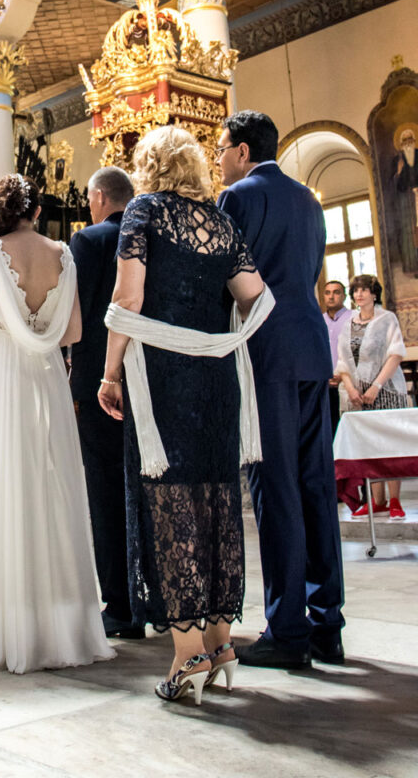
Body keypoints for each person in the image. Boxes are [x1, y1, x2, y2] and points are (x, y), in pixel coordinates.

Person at [99, 127, 269, 704]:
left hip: (164, 379)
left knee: (170, 508)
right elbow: (254, 293)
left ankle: (187, 656)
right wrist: (222, 339)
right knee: (217, 504)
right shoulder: (220, 222)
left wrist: (110, 374)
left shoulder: (144, 211)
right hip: (218, 381)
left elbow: (128, 299)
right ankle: (221, 646)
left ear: (150, 166)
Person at [0, 175, 114, 673]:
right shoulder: (63, 253)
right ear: (37, 211)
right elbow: (75, 331)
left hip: (4, 377)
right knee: (52, 490)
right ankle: (62, 629)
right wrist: (39, 329)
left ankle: (9, 630)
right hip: (47, 379)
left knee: (6, 487)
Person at [217, 110, 345, 669]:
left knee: (276, 486)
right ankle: (327, 625)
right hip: (312, 350)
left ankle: (287, 630)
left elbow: (225, 278)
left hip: (264, 351)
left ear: (243, 151)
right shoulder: (309, 201)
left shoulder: (237, 198)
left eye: (222, 149)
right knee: (316, 483)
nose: (219, 160)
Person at [69, 164, 140, 640]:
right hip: (151, 378)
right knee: (148, 488)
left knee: (106, 490)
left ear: (98, 198)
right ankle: (154, 596)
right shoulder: (151, 236)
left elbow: (75, 313)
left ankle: (120, 605)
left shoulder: (89, 240)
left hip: (100, 379)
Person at [335, 273, 409, 520]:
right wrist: (350, 388)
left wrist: (376, 386)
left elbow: (396, 354)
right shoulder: (349, 323)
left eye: (364, 290)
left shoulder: (387, 318)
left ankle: (395, 500)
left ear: (374, 294)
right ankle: (378, 501)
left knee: (390, 445)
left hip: (386, 390)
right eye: (355, 290)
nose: (359, 294)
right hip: (358, 393)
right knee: (369, 446)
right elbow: (343, 361)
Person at [323, 280, 353, 436]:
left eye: (336, 292)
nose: (331, 296)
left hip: (349, 383)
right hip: (324, 383)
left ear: (344, 296)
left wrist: (344, 374)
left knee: (349, 428)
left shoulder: (354, 318)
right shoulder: (319, 320)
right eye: (327, 293)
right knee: (330, 428)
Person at [392, 127, 418, 276]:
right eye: (405, 140)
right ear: (401, 144)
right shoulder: (398, 160)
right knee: (411, 233)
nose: (408, 143)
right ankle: (414, 265)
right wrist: (399, 172)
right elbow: (396, 186)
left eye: (410, 139)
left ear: (414, 140)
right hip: (407, 202)